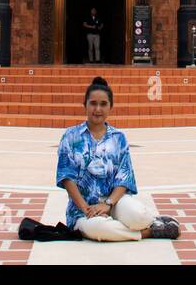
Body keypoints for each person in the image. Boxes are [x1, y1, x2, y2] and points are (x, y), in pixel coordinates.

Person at [55, 76, 179, 241]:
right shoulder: (71, 136)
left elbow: (124, 177)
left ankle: (151, 221)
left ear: (111, 107)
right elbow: (66, 177)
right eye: (93, 103)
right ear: (84, 105)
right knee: (100, 229)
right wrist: (86, 208)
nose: (98, 109)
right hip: (83, 210)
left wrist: (108, 204)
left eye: (103, 104)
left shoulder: (119, 137)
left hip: (114, 202)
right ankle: (148, 232)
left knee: (138, 216)